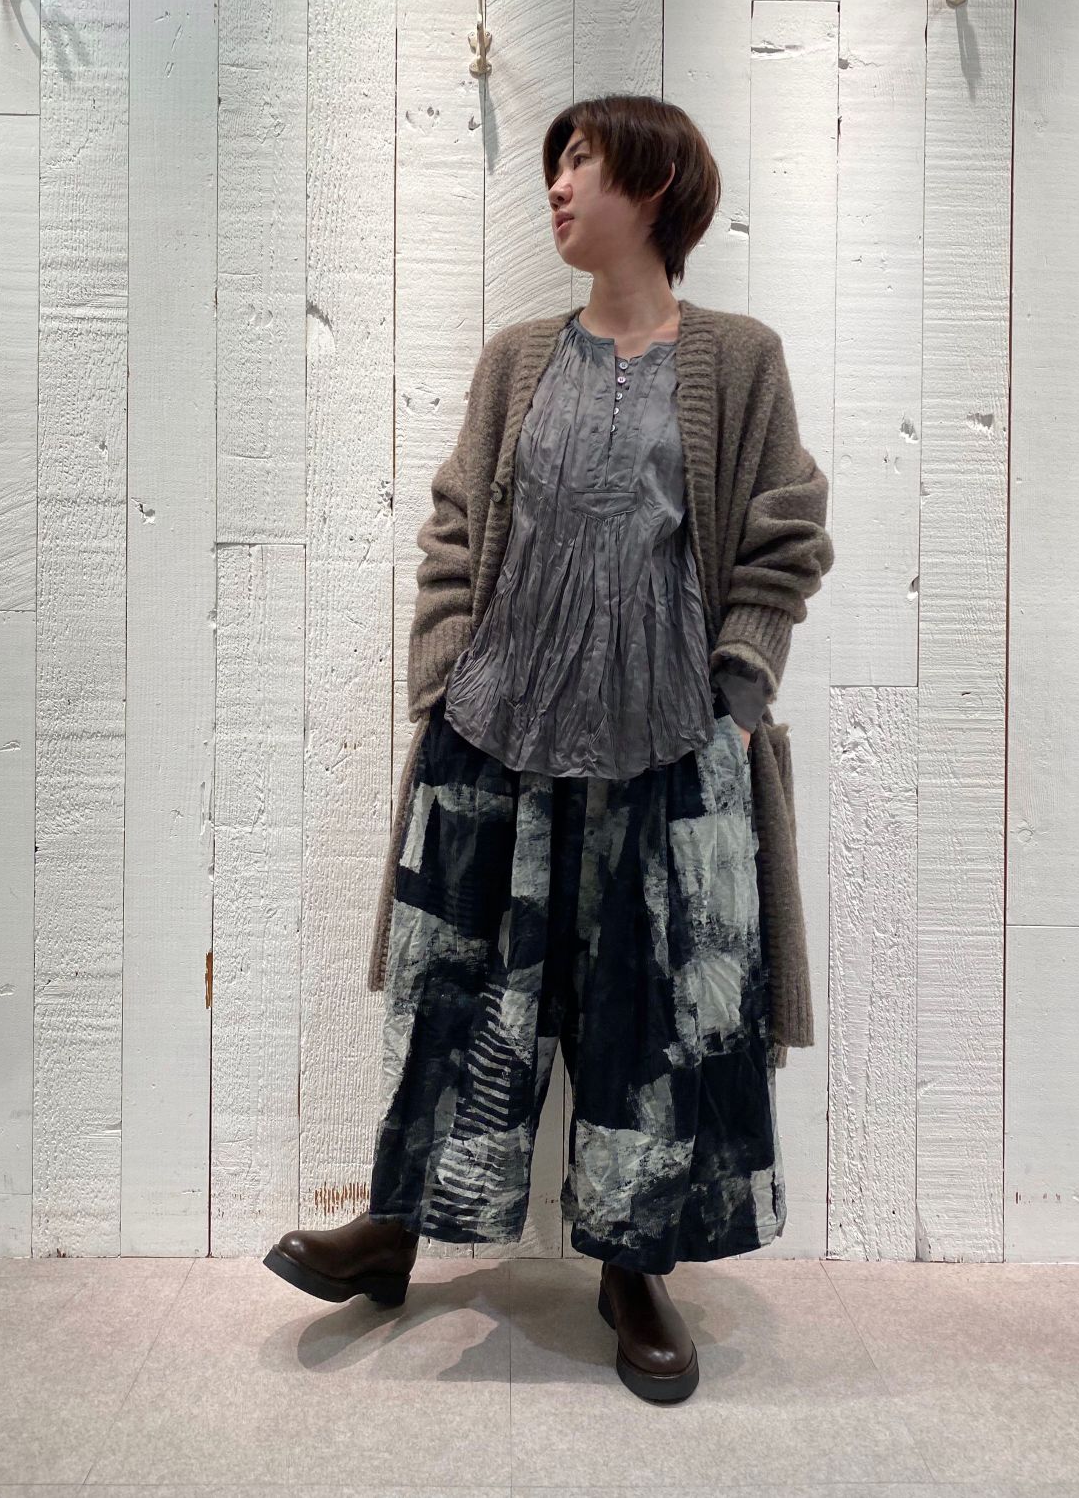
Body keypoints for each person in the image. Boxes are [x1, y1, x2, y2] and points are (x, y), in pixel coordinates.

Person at [265, 95, 834, 1405]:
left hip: (668, 750)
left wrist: (735, 695)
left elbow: (786, 532)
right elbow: (458, 524)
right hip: (498, 739)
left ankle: (633, 1268)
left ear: (657, 183)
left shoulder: (739, 359)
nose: (560, 185)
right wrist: (444, 679)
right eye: (556, 163)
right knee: (459, 1000)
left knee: (649, 1018)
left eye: (582, 160)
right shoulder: (518, 359)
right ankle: (396, 1230)